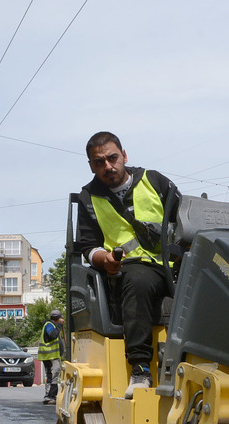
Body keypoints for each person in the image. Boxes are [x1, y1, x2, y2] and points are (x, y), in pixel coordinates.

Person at [74, 131, 180, 398]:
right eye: (99, 162)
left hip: (175, 266)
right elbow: (88, 246)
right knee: (138, 281)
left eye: (112, 158)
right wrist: (104, 260)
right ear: (91, 166)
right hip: (130, 269)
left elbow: (185, 219)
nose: (108, 166)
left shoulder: (155, 181)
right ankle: (141, 369)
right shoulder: (89, 198)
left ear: (124, 155)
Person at [38, 310, 64, 404]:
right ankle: (50, 396)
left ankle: (49, 396)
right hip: (50, 355)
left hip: (51, 355)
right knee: (53, 375)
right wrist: (60, 325)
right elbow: (53, 335)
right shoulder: (49, 325)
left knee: (51, 375)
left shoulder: (52, 325)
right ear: (58, 318)